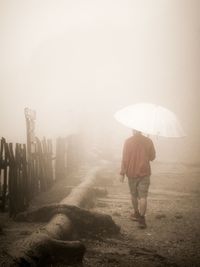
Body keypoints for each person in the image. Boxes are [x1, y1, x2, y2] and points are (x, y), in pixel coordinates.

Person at [120, 129, 156, 229]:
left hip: (131, 172)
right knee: (143, 197)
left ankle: (136, 212)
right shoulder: (148, 141)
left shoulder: (128, 141)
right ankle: (142, 219)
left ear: (132, 130)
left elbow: (125, 159)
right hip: (145, 172)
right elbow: (152, 157)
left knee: (134, 195)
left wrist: (122, 173)